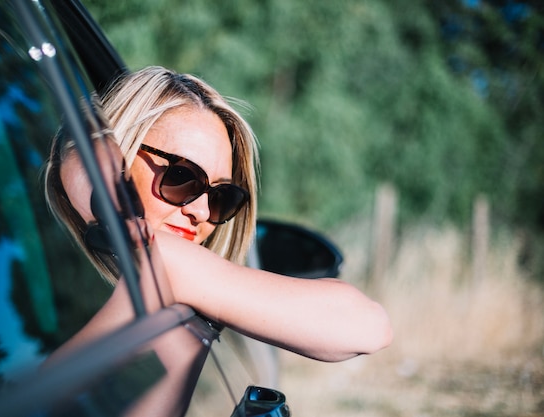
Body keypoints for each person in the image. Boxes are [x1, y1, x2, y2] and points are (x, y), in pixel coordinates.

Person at [44, 66, 392, 365]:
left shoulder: (165, 269)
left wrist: (178, 267)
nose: (200, 212)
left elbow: (367, 326)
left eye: (221, 197)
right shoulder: (47, 269)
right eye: (181, 177)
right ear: (118, 165)